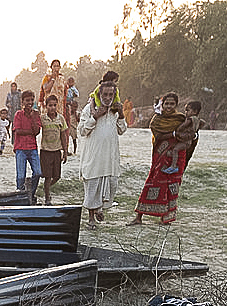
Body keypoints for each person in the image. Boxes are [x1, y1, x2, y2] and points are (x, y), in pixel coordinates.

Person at [129, 92, 188, 227]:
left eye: (172, 104)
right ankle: (139, 216)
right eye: (166, 103)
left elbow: (188, 133)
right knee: (153, 181)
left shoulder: (180, 119)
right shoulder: (157, 120)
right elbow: (158, 136)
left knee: (172, 184)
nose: (168, 106)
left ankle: (166, 218)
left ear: (176, 105)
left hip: (176, 157)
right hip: (160, 156)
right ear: (162, 104)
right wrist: (173, 134)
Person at [78, 80, 127, 229]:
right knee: (93, 185)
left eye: (111, 94)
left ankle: (99, 208)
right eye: (104, 94)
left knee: (110, 184)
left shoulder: (115, 111)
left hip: (109, 157)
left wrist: (121, 114)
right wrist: (95, 116)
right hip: (93, 157)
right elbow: (82, 131)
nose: (107, 97)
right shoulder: (89, 109)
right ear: (99, 94)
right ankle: (91, 218)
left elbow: (122, 130)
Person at [13, 90, 42, 201]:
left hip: (32, 148)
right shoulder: (18, 114)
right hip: (20, 148)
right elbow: (18, 131)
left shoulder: (35, 114)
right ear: (22, 102)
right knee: (21, 176)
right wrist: (30, 131)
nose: (29, 102)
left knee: (38, 173)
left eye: (31, 100)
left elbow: (36, 131)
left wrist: (34, 117)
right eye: (27, 100)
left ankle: (31, 194)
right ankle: (20, 196)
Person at [39, 95, 68, 204]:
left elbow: (63, 135)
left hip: (56, 151)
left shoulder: (60, 118)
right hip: (45, 151)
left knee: (57, 176)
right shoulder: (42, 118)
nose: (52, 108)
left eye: (54, 105)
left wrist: (65, 152)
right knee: (47, 176)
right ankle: (47, 197)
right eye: (50, 105)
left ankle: (47, 188)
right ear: (46, 106)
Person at [161, 101, 201, 173]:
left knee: (175, 149)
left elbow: (183, 126)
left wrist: (178, 129)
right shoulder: (197, 119)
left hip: (185, 141)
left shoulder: (190, 119)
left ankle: (173, 166)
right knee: (172, 150)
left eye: (187, 110)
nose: (185, 112)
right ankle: (172, 164)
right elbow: (203, 123)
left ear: (195, 111)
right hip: (189, 141)